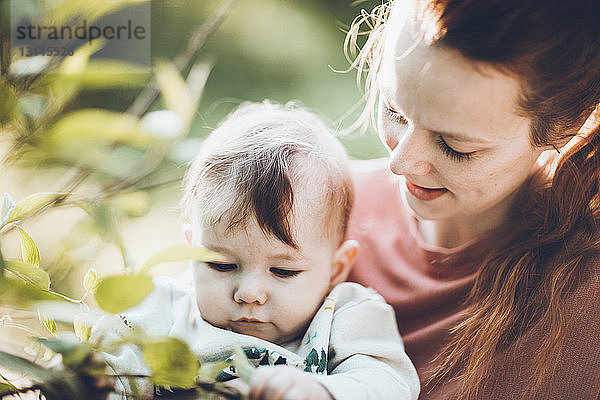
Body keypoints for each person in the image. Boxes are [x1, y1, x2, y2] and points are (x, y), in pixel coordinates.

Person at [343, 0, 600, 399]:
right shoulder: (317, 209)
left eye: (455, 147)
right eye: (395, 110)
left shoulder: (584, 302)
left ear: (568, 125)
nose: (401, 162)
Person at [92, 101, 420, 400]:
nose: (249, 294)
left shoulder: (347, 316)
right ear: (192, 252)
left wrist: (321, 392)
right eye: (221, 265)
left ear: (335, 269)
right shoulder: (161, 311)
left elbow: (389, 384)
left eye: (283, 271)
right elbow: (112, 368)